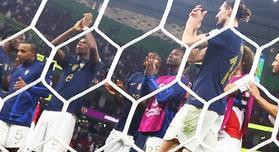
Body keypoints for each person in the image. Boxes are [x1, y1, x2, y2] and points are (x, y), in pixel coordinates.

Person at [158, 0, 250, 152]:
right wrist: (196, 30)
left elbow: (186, 41)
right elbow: (192, 56)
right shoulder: (237, 42)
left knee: (167, 148)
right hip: (216, 107)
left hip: (200, 102)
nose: (217, 15)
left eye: (220, 10)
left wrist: (191, 23)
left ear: (228, 11)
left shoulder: (224, 33)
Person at [22, 13, 100, 152]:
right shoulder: (69, 62)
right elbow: (53, 45)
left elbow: (94, 48)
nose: (79, 43)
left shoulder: (92, 66)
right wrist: (74, 29)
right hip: (49, 110)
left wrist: (87, 28)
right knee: (32, 149)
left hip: (66, 114)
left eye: (83, 42)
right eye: (78, 41)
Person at [102, 52, 161, 152]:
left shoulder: (156, 83)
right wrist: (116, 92)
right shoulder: (135, 76)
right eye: (148, 56)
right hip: (119, 128)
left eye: (153, 58)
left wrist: (123, 91)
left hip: (134, 134)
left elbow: (146, 106)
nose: (149, 58)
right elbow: (122, 102)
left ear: (158, 65)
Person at [137, 48, 189, 152]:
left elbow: (162, 97)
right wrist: (147, 74)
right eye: (170, 53)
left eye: (175, 54)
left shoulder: (182, 80)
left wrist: (150, 76)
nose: (171, 55)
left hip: (161, 131)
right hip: (144, 127)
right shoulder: (159, 79)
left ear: (184, 61)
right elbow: (143, 97)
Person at [0, 42, 46, 151]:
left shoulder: (41, 68)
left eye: (23, 51)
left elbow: (47, 92)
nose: (19, 54)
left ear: (33, 53)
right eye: (18, 51)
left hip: (22, 118)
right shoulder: (17, 68)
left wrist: (28, 87)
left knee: (12, 149)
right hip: (4, 115)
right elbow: (9, 90)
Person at [216, 47, 255, 152]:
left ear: (243, 61)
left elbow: (227, 90)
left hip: (230, 135)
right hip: (215, 129)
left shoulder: (248, 78)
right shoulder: (226, 79)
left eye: (235, 56)